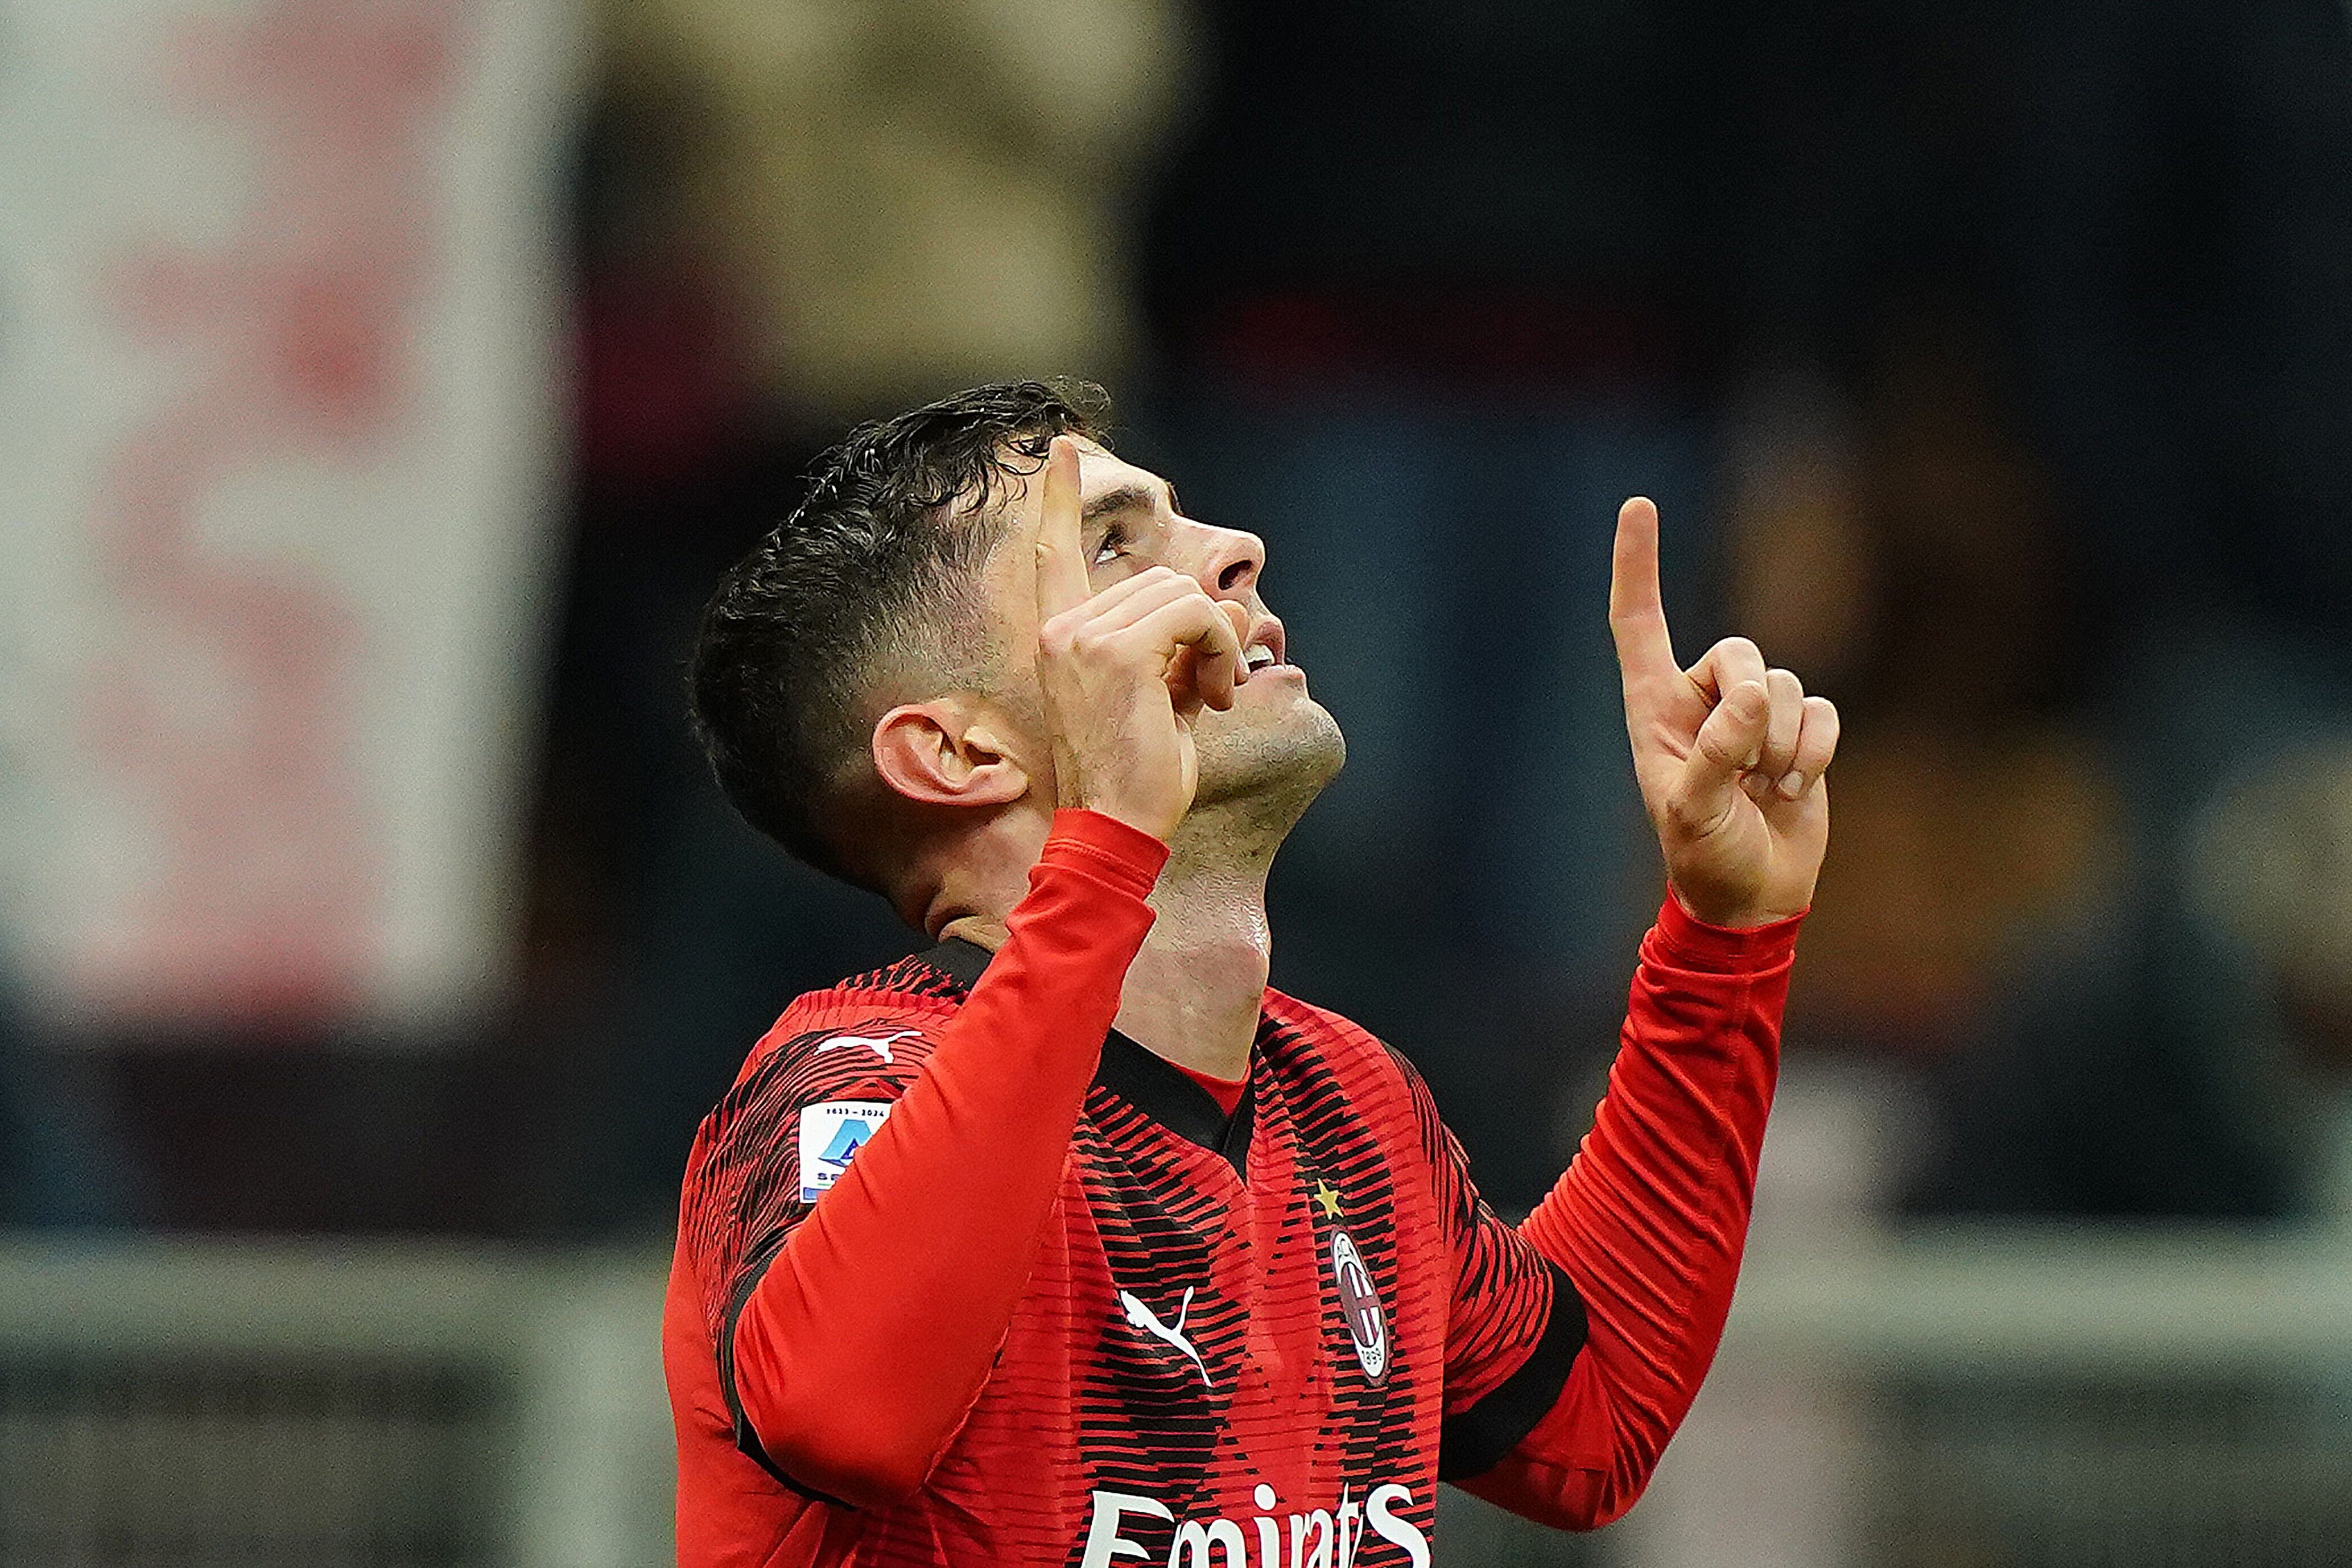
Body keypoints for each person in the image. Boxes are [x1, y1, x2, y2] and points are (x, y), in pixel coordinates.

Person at [665, 381, 1837, 1566]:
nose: (1238, 547)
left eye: (1186, 516)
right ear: (959, 753)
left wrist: (1724, 934)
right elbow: (848, 1420)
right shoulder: (852, 1083)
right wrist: (1107, 841)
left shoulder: (1348, 1098)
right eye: (1114, 545)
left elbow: (1588, 1420)